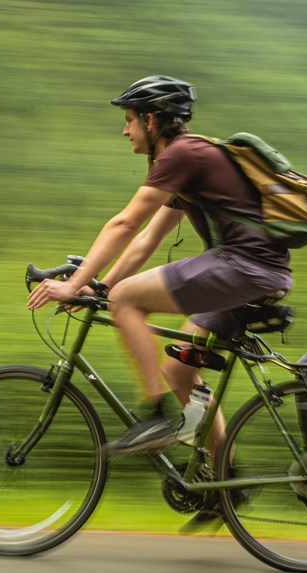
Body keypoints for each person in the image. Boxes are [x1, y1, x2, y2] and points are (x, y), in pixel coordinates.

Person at [27, 75, 292, 461]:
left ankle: (154, 416)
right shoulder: (190, 160)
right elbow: (146, 240)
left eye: (130, 120)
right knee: (179, 370)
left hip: (243, 266)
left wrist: (73, 286)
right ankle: (227, 480)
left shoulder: (181, 155)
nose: (125, 131)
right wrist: (98, 288)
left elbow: (124, 223)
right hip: (255, 272)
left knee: (128, 300)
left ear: (151, 121)